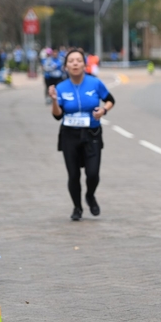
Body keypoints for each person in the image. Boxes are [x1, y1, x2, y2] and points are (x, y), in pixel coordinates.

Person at [49, 48, 115, 221]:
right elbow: (57, 115)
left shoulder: (95, 83)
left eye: (78, 60)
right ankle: (77, 207)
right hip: (69, 135)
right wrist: (54, 100)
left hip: (92, 133)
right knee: (73, 175)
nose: (75, 64)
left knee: (92, 174)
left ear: (84, 65)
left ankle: (90, 195)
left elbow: (110, 100)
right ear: (66, 66)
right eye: (71, 61)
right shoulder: (61, 88)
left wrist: (103, 110)